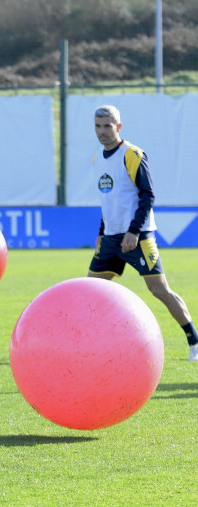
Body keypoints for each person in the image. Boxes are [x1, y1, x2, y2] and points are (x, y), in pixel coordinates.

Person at [88, 104, 198, 361]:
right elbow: (109, 200)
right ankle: (94, 345)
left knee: (160, 290)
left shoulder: (132, 154)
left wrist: (134, 231)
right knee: (89, 291)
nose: (102, 131)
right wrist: (102, 232)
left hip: (138, 238)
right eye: (97, 126)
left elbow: (147, 194)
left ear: (119, 127)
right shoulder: (96, 158)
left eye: (107, 126)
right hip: (111, 238)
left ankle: (194, 340)